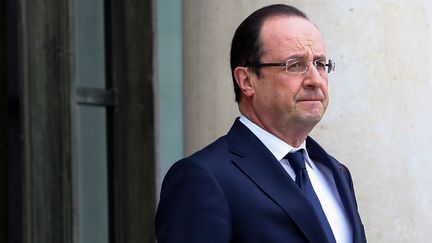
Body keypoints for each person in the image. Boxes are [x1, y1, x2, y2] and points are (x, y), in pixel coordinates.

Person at [155, 4, 366, 243]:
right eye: (295, 65)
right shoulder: (203, 178)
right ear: (246, 81)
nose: (315, 80)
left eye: (320, 64)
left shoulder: (335, 172)